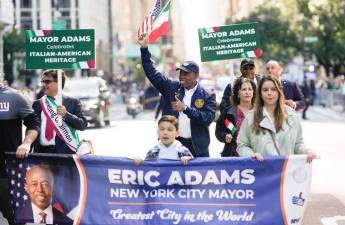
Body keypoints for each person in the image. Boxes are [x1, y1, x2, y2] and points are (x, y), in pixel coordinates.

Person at [139, 33, 216, 157]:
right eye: (181, 73)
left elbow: (207, 119)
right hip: (172, 145)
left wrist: (185, 109)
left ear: (195, 75)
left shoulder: (207, 95)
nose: (182, 77)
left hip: (197, 149)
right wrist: (144, 48)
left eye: (186, 74)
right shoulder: (171, 87)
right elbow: (151, 73)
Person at [236, 75, 316, 162]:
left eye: (273, 89)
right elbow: (242, 145)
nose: (269, 93)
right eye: (265, 90)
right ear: (260, 93)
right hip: (262, 171)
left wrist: (306, 151)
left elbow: (298, 144)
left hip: (286, 172)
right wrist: (252, 155)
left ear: (279, 91)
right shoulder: (251, 117)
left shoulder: (291, 115)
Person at [0, 80, 40, 225]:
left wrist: (26, 143)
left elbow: (34, 124)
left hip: (5, 169)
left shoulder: (14, 97)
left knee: (13, 215)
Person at [32, 69, 88, 154]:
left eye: (47, 82)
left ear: (58, 83)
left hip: (64, 153)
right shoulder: (37, 104)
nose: (43, 84)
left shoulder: (73, 102)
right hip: (41, 153)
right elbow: (32, 127)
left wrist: (66, 115)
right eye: (42, 82)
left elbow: (82, 125)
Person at [215, 78, 256, 157]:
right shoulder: (228, 112)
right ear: (238, 93)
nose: (247, 92)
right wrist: (225, 136)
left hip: (256, 157)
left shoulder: (260, 112)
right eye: (244, 89)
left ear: (253, 92)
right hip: (233, 157)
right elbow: (219, 131)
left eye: (250, 89)